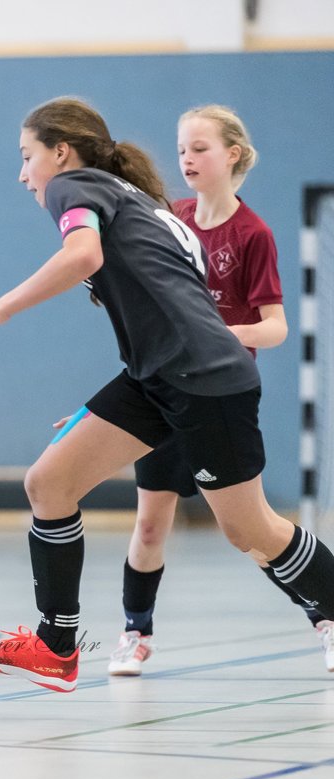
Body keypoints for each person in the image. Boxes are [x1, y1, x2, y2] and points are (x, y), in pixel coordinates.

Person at [0, 97, 334, 693]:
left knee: (250, 531)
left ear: (61, 151)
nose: (24, 173)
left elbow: (82, 254)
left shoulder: (73, 186)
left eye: (27, 157)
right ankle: (56, 650)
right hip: (156, 378)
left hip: (206, 383)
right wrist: (92, 411)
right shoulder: (142, 203)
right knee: (49, 484)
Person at [104, 105, 333, 676]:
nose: (186, 159)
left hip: (218, 398)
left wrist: (217, 334)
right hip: (162, 390)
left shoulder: (251, 233)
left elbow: (275, 326)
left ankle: (326, 616)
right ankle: (135, 632)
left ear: (232, 154)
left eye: (200, 148)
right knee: (151, 524)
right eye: (181, 149)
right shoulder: (170, 217)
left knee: (247, 532)